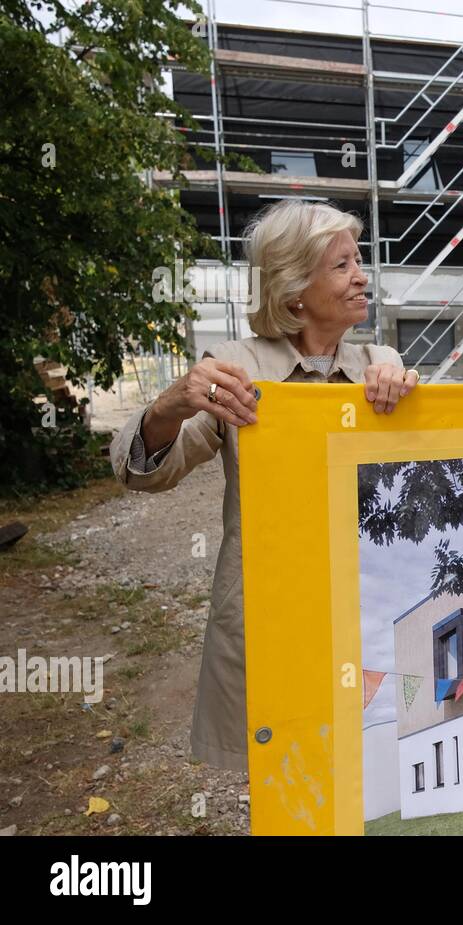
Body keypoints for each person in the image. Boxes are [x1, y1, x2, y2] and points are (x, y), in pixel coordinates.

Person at [108, 199, 417, 771]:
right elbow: (149, 470)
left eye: (359, 260)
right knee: (284, 774)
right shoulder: (234, 366)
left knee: (365, 764)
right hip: (270, 611)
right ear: (295, 286)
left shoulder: (382, 361)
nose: (362, 277)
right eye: (342, 265)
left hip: (367, 606)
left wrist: (406, 393)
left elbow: (433, 463)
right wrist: (169, 405)